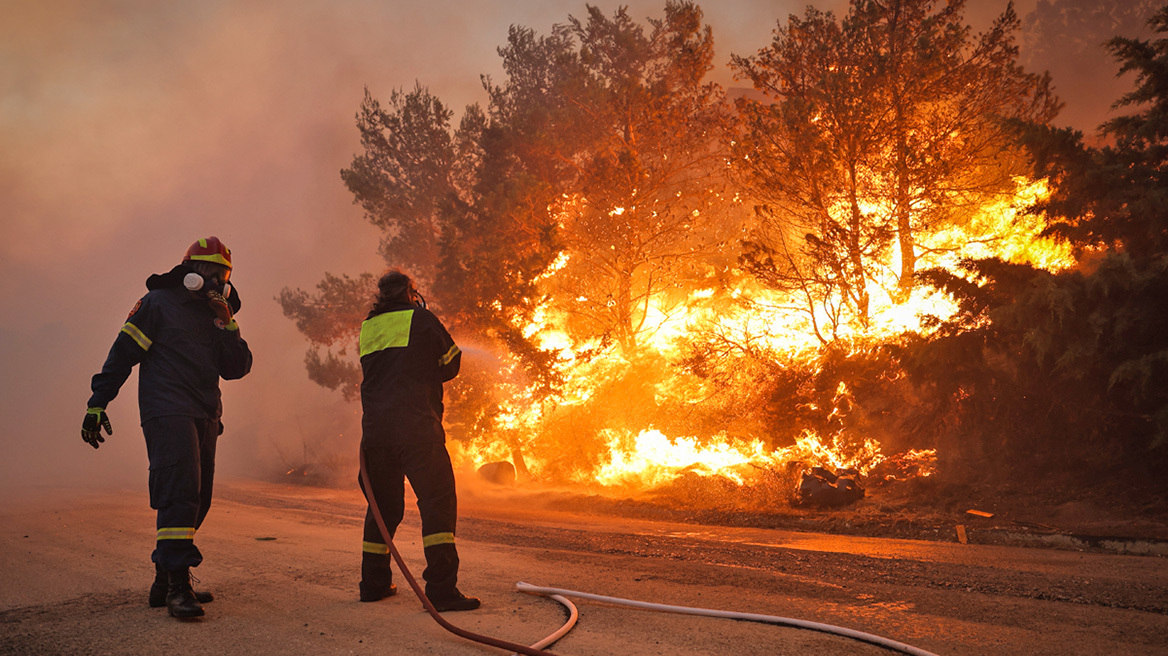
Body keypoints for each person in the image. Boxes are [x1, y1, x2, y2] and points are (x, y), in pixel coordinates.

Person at [81, 236, 253, 619]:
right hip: (166, 409)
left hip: (205, 413)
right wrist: (98, 402)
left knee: (200, 498)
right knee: (181, 493)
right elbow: (122, 355)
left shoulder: (218, 314)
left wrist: (229, 325)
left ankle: (164, 578)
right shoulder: (157, 304)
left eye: (221, 274)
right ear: (189, 272)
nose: (214, 280)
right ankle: (178, 588)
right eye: (207, 272)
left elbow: (237, 368)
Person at [357, 270, 479, 611]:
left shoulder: (369, 326)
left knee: (383, 509)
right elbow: (451, 363)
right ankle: (441, 590)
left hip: (377, 435)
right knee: (437, 506)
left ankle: (373, 583)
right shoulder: (421, 319)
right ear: (411, 292)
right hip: (417, 430)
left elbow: (381, 372)